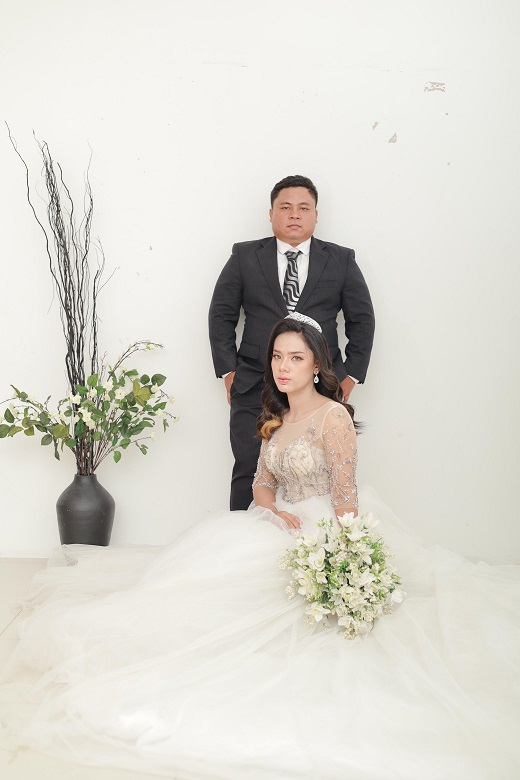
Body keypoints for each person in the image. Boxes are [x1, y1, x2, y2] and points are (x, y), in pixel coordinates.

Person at [1, 316, 519, 780]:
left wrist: (344, 555)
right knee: (201, 577)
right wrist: (274, 513)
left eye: (296, 357)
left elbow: (345, 495)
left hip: (325, 526)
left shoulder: (333, 417)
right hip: (278, 521)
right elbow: (261, 485)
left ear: (317, 365)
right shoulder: (276, 417)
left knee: (272, 603)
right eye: (277, 356)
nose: (283, 366)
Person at [209, 174, 375, 510]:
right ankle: (246, 538)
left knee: (319, 472)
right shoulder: (244, 256)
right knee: (249, 470)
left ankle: (311, 538)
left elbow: (362, 320)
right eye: (285, 207)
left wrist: (350, 375)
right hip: (253, 383)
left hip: (320, 384)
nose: (294, 214)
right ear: (271, 214)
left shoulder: (341, 259)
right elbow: (221, 315)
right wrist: (229, 372)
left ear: (316, 215)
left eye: (304, 208)